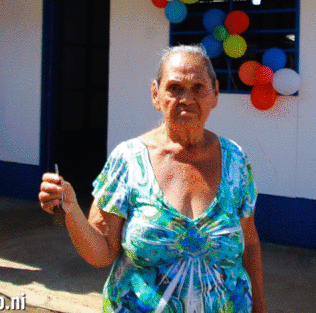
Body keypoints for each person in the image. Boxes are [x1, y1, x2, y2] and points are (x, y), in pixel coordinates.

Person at [39, 45, 268, 313]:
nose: (186, 98)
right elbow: (101, 252)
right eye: (174, 88)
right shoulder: (128, 160)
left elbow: (249, 241)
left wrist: (260, 305)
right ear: (155, 94)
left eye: (198, 87)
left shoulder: (235, 159)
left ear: (215, 93)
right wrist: (71, 209)